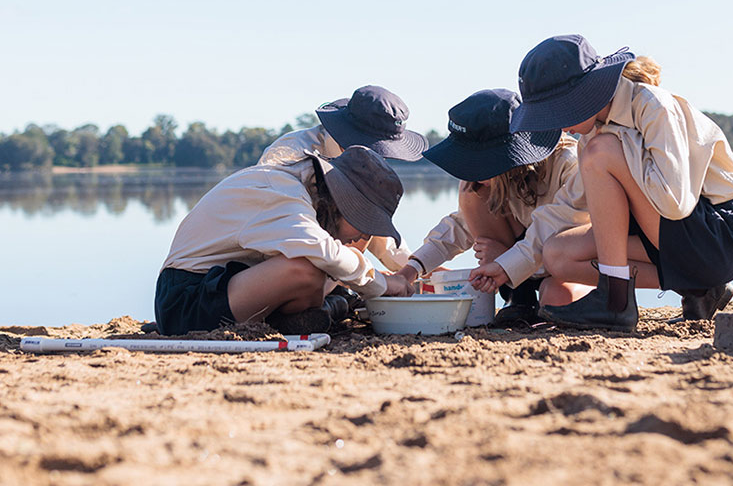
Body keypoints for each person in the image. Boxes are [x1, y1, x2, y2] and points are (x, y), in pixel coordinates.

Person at [474, 34, 733, 332]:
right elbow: (564, 210)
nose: (557, 125)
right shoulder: (595, 139)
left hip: (718, 235)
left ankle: (616, 303)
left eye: (557, 111)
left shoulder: (652, 106)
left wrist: (616, 149)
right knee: (557, 254)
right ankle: (700, 290)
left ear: (584, 94)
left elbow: (674, 202)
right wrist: (506, 266)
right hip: (676, 240)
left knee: (601, 152)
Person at [154, 145, 413, 336]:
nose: (366, 235)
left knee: (325, 266)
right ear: (342, 202)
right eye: (364, 222)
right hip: (185, 299)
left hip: (226, 283)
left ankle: (294, 318)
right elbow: (322, 251)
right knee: (306, 269)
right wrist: (383, 282)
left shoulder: (298, 191)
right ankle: (310, 314)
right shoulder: (281, 193)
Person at [391, 89, 580, 325]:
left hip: (568, 260)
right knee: (470, 191)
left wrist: (503, 261)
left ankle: (528, 294)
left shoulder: (568, 166)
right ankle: (520, 300)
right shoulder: (492, 180)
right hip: (525, 263)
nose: (471, 169)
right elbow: (460, 226)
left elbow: (550, 238)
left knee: (556, 299)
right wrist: (407, 273)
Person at [258, 85, 429, 277]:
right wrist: (369, 277)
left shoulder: (364, 167)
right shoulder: (290, 157)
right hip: (281, 264)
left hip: (331, 264)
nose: (380, 157)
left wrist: (416, 268)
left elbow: (375, 225)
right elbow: (294, 233)